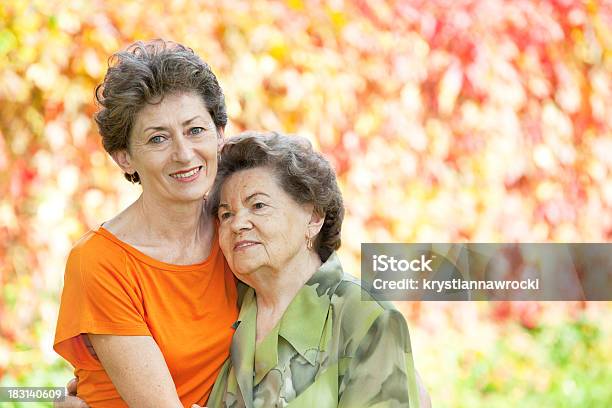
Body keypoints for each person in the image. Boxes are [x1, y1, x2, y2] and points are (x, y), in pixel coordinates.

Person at [53, 39, 239, 407]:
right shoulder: (101, 262)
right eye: (158, 138)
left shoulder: (236, 228)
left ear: (219, 134)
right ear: (125, 159)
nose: (184, 154)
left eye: (195, 130)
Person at [204, 131, 428, 407]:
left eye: (258, 205)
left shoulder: (364, 317)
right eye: (226, 214)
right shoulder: (226, 309)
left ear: (313, 217)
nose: (237, 224)